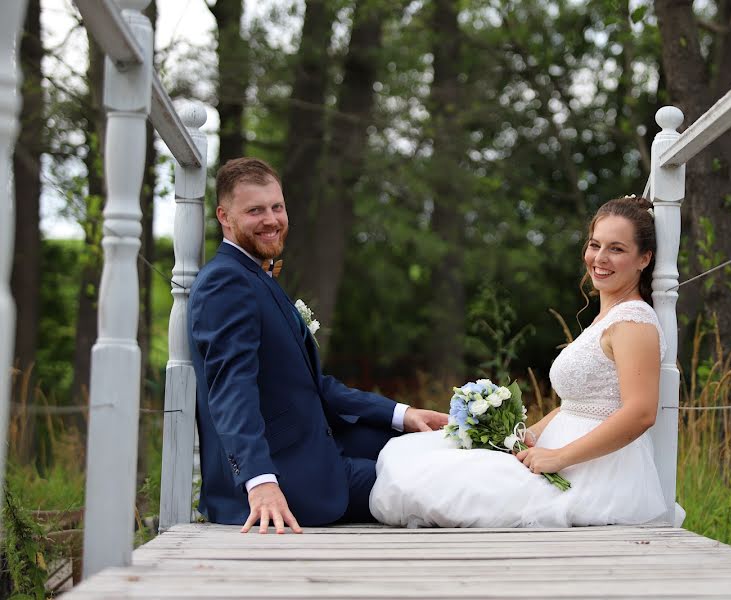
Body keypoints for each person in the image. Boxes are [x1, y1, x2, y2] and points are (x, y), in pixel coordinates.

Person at [369, 196, 685, 528]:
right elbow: (575, 406)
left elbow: (641, 412)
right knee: (418, 453)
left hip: (594, 470)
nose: (600, 258)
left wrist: (558, 457)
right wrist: (523, 436)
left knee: (442, 480)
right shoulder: (606, 319)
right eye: (595, 245)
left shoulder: (634, 322)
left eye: (617, 249)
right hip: (556, 451)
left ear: (644, 258)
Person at [188, 157, 447, 534]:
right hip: (288, 476)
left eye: (277, 207)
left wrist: (402, 413)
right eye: (255, 211)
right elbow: (231, 389)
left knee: (431, 446)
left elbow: (314, 386)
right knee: (434, 480)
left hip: (319, 441)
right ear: (224, 217)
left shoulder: (254, 275)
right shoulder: (225, 283)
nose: (271, 219)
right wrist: (260, 482)